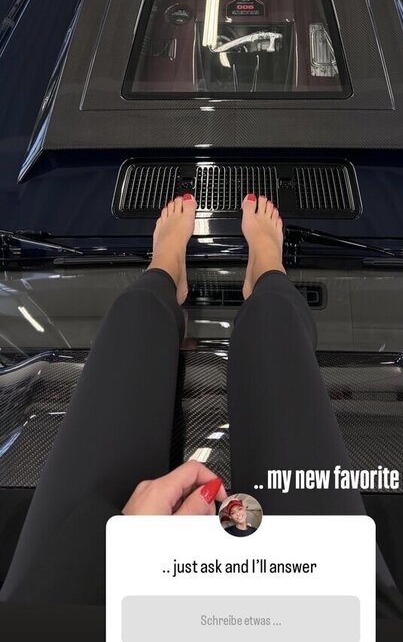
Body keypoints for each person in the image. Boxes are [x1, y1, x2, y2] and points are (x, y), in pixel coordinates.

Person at [0, 193, 367, 606]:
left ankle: (167, 271)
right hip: (326, 612)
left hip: (71, 609)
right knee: (276, 332)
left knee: (133, 322)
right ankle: (267, 273)